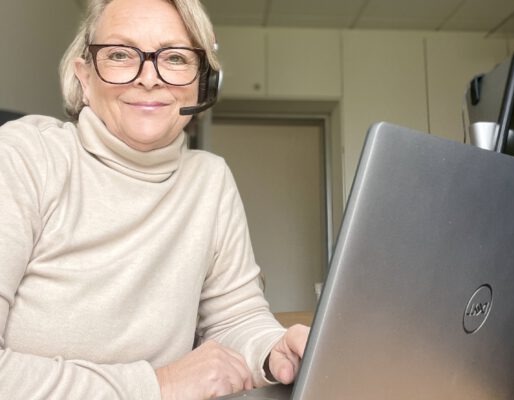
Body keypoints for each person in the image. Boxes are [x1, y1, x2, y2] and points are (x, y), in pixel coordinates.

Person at [0, 0, 310, 399]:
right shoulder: (22, 156)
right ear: (84, 77)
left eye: (176, 57)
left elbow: (236, 317)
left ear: (203, 81)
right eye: (119, 54)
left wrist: (271, 350)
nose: (148, 78)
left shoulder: (210, 180)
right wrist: (158, 385)